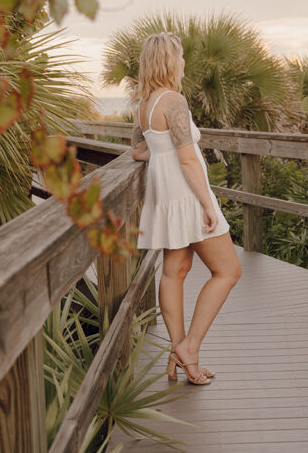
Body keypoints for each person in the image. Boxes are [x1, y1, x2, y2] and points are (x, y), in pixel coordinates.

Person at [130, 32, 242, 385]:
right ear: (168, 61)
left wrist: (159, 152)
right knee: (228, 270)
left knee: (174, 271)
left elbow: (138, 151)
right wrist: (208, 205)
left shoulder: (144, 104)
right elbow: (189, 161)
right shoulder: (174, 100)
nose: (183, 63)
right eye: (179, 57)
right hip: (186, 194)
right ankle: (189, 347)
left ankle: (178, 356)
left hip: (164, 193)